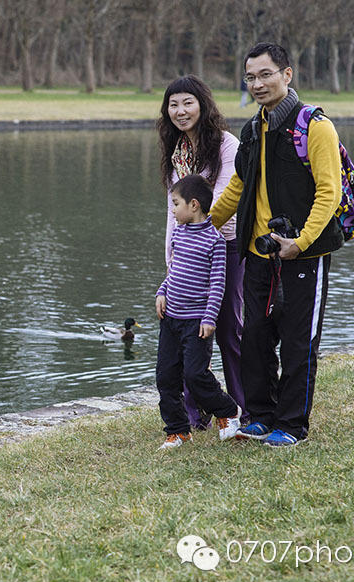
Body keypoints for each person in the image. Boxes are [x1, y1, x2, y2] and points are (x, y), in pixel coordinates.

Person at [209, 42, 344, 448]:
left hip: (305, 254)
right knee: (256, 337)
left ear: (287, 74)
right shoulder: (253, 129)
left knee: (299, 342)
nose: (257, 84)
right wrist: (202, 227)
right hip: (257, 253)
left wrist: (300, 243)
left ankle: (292, 425)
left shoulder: (315, 127)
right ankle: (261, 416)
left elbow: (329, 193)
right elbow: (238, 186)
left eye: (266, 74)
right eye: (250, 77)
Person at [156, 75, 246, 430]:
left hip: (226, 244)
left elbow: (223, 201)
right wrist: (173, 260)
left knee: (226, 330)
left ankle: (243, 408)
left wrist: (198, 239)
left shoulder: (226, 145)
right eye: (173, 104)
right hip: (189, 251)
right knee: (190, 332)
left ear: (203, 104)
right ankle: (197, 413)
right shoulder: (176, 151)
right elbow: (173, 209)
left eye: (187, 103)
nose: (180, 111)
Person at [155, 174, 241, 450]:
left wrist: (209, 317)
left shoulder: (214, 241)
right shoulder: (179, 233)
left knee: (195, 375)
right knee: (166, 376)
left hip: (196, 322)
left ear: (193, 205)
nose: (172, 209)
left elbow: (218, 284)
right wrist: (162, 291)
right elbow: (175, 270)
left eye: (176, 203)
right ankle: (178, 431)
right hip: (171, 319)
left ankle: (227, 410)